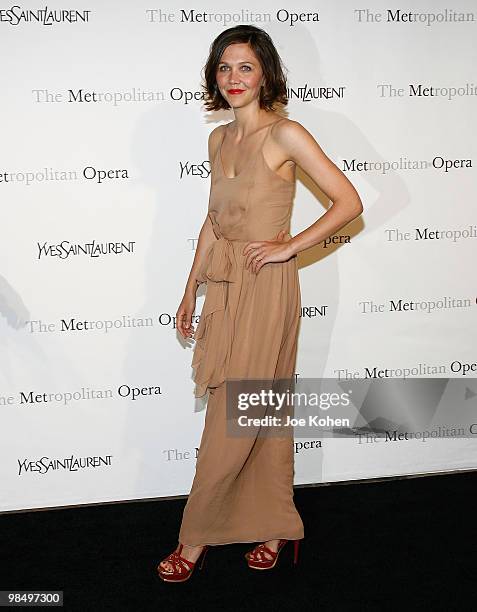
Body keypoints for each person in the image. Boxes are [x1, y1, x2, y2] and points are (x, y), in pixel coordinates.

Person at [157, 25, 363, 582]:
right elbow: (211, 220)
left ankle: (193, 539)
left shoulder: (286, 134)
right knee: (264, 409)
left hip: (266, 286)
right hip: (223, 284)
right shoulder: (218, 140)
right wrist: (189, 289)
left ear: (267, 73)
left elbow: (349, 202)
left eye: (245, 67)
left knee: (237, 411)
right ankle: (276, 526)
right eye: (224, 68)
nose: (233, 78)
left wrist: (288, 247)